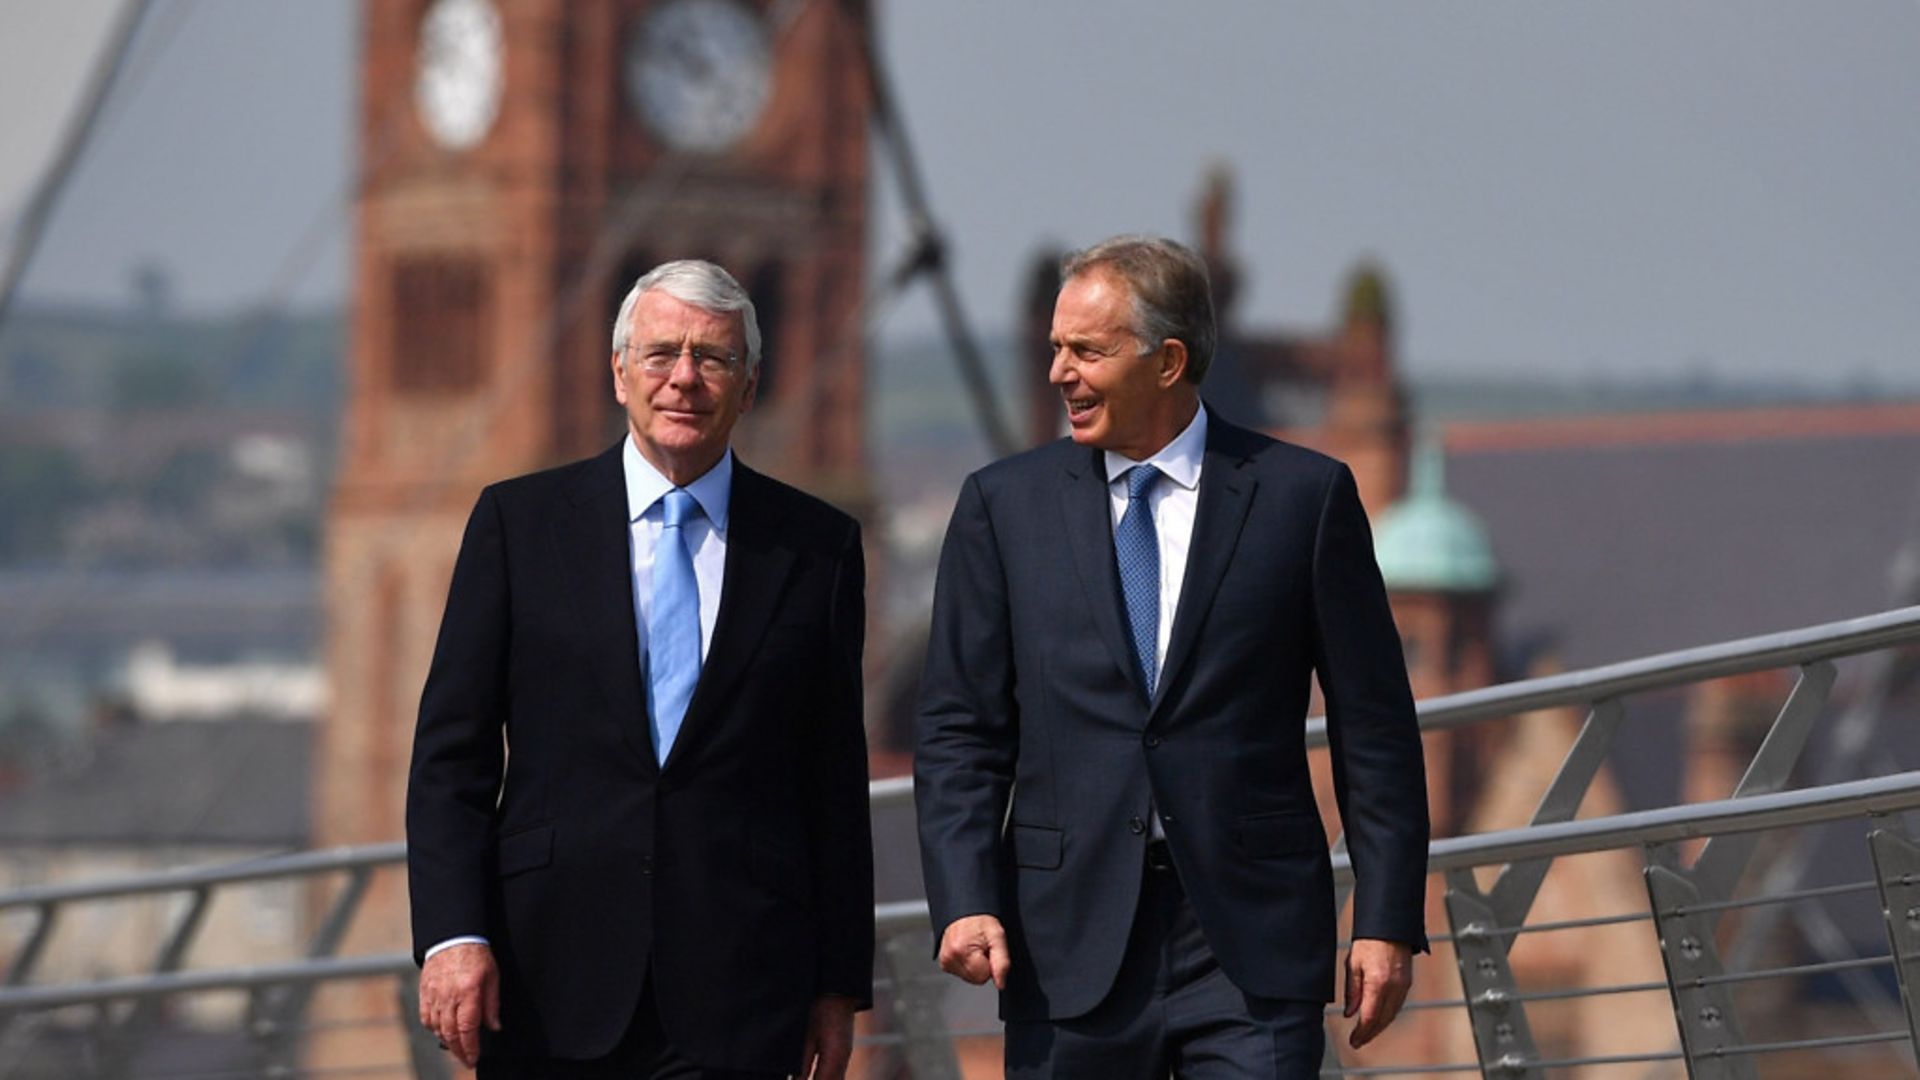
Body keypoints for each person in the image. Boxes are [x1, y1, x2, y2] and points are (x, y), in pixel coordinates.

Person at [914, 236, 1428, 1077]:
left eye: (1087, 350)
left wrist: (1386, 917)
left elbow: (1374, 725)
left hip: (1248, 946)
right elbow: (958, 730)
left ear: (1168, 360)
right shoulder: (1001, 509)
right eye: (1054, 349)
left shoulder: (1304, 499)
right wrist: (965, 900)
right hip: (1065, 944)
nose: (1060, 373)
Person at [406, 259, 873, 1079]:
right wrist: (453, 934)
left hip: (744, 988)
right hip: (546, 980)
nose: (683, 379)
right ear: (618, 372)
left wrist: (837, 985)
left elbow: (831, 780)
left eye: (712, 358)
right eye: (660, 355)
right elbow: (453, 756)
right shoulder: (519, 525)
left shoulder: (818, 548)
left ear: (750, 384)